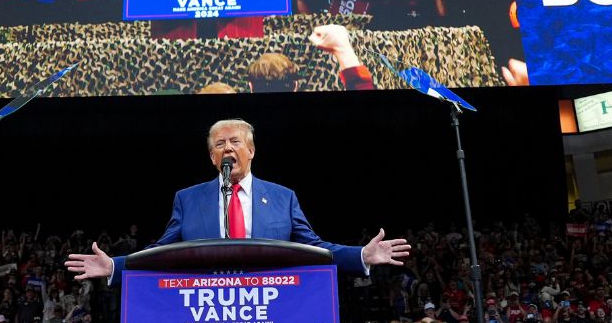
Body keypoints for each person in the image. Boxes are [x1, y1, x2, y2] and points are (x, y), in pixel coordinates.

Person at [65, 119, 410, 286]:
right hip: (202, 314)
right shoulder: (187, 199)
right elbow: (161, 252)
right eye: (219, 144)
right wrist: (116, 266)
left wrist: (360, 255)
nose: (227, 148)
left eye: (234, 142)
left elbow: (315, 248)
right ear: (212, 157)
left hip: (271, 309)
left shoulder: (281, 197)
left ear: (251, 150)